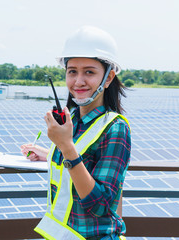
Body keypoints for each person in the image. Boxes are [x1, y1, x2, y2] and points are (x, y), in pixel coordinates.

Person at [21, 26, 131, 240]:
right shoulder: (73, 119)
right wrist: (50, 153)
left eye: (89, 72)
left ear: (108, 78)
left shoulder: (115, 128)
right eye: (72, 71)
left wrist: (65, 147)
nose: (78, 81)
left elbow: (100, 205)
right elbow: (82, 158)